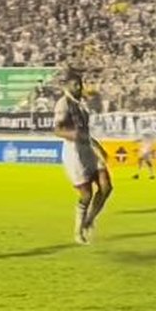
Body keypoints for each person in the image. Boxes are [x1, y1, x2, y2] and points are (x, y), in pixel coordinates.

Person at [53, 71, 113, 244]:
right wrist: (74, 135)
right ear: (67, 86)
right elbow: (57, 130)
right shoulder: (63, 104)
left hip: (88, 151)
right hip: (74, 154)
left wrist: (97, 146)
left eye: (80, 84)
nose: (79, 87)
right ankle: (78, 232)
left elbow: (85, 133)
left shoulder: (81, 106)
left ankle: (90, 219)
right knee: (86, 194)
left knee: (107, 187)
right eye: (75, 84)